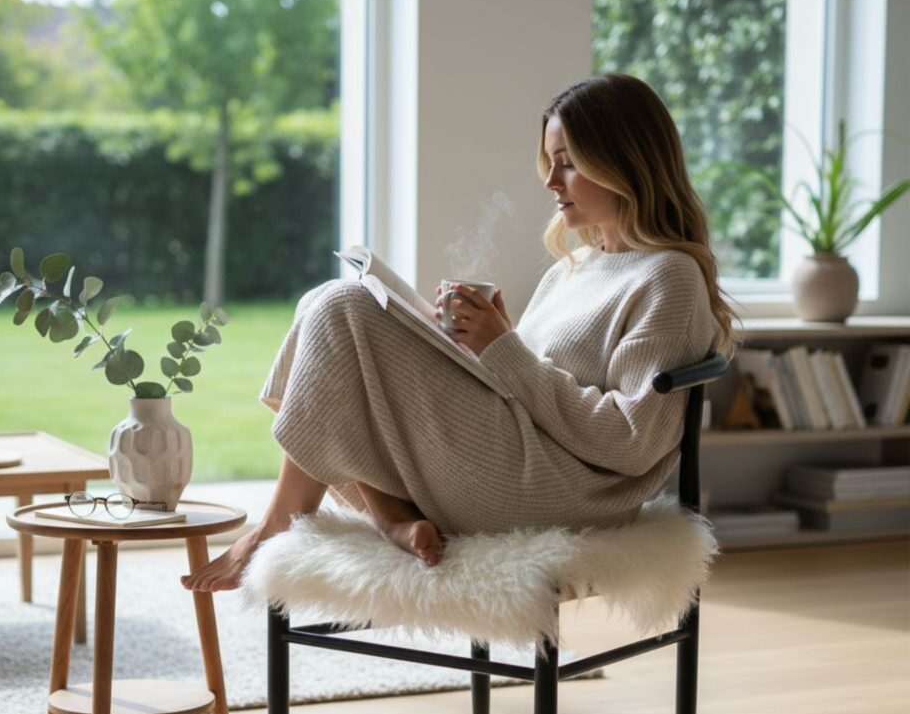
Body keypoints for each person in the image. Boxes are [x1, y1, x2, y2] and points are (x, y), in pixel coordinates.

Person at [182, 72, 740, 593]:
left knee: (340, 306)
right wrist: (468, 348)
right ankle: (391, 517)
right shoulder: (575, 267)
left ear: (625, 163)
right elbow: (530, 383)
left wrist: (504, 349)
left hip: (563, 493)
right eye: (549, 162)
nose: (550, 181)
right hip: (523, 462)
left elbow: (630, 443)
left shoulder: (669, 276)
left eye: (567, 163)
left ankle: (281, 521)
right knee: (328, 308)